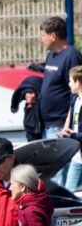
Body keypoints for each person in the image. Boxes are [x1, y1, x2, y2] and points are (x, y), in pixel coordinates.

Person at [28, 17, 82, 184]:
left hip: (60, 124)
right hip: (48, 123)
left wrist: (67, 124)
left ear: (53, 36)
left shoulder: (72, 56)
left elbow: (75, 94)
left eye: (43, 35)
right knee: (52, 173)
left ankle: (64, 208)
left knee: (59, 174)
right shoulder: (51, 55)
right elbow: (52, 85)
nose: (41, 39)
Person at [61, 65, 82, 191]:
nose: (69, 84)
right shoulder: (75, 99)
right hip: (77, 156)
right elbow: (72, 119)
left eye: (70, 81)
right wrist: (65, 132)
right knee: (69, 191)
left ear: (78, 82)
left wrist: (73, 135)